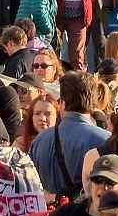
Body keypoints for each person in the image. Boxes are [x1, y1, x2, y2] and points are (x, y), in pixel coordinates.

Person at [29, 72, 111, 200]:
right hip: (87, 210)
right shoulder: (105, 140)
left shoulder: (39, 140)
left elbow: (31, 185)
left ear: (63, 103)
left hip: (48, 211)